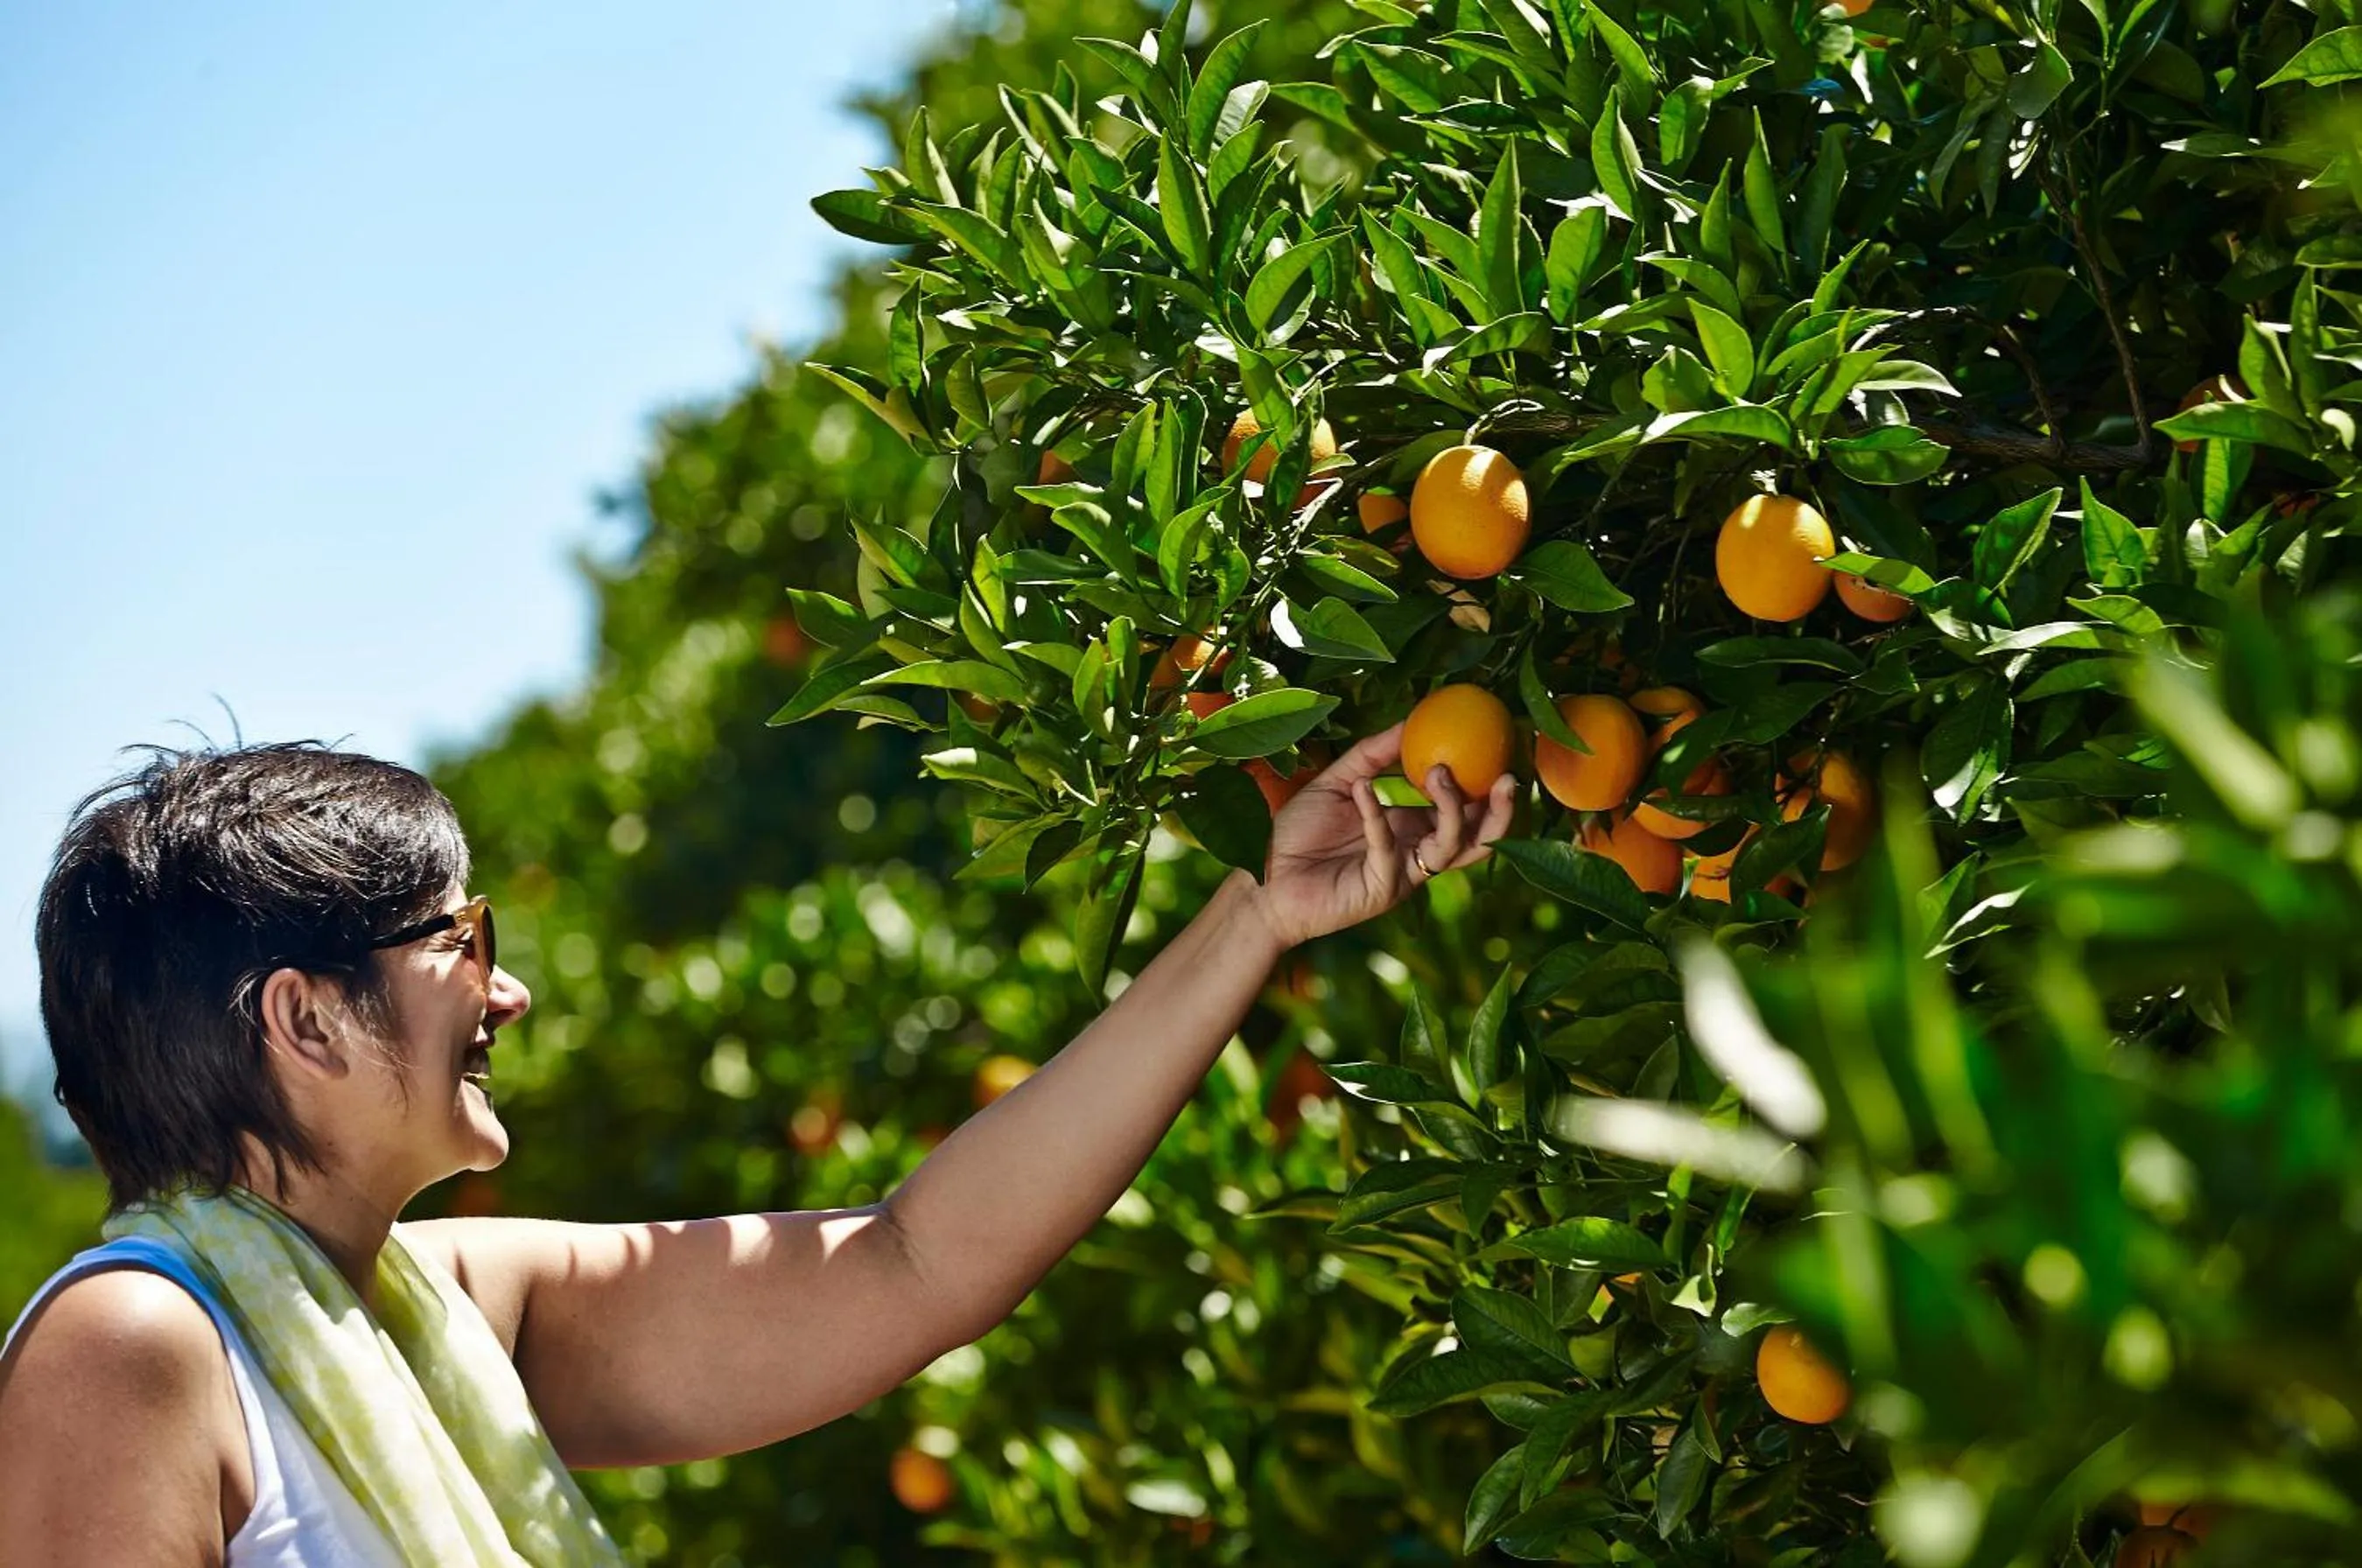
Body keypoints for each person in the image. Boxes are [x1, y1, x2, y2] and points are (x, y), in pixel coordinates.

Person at [0, 730, 1514, 1563]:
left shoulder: (448, 1304)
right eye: (463, 939)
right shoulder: (133, 1347)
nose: (507, 988)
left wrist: (1258, 916)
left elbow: (912, 1261)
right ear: (304, 1020)